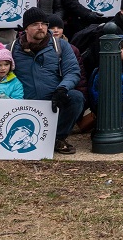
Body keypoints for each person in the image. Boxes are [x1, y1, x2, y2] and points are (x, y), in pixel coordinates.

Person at [10, 8, 83, 154]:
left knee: (76, 97)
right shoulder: (11, 48)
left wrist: (62, 89)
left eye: (44, 24)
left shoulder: (60, 46)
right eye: (35, 24)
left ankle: (57, 138)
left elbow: (73, 71)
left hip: (54, 100)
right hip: (24, 103)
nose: (41, 27)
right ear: (26, 28)